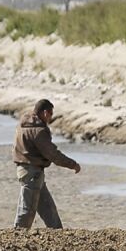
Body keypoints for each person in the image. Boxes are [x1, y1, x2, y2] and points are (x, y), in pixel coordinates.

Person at [12, 98, 80, 229]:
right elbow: (52, 154)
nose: (51, 118)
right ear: (44, 113)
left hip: (27, 171)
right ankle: (16, 239)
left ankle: (58, 233)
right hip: (33, 173)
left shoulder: (22, 124)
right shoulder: (39, 131)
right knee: (27, 211)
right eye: (51, 114)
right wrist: (73, 164)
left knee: (48, 208)